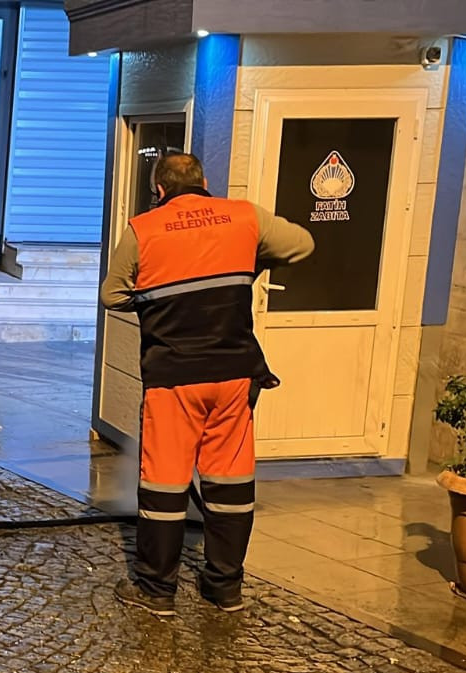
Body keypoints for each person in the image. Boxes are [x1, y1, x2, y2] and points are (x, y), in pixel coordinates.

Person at [100, 153, 314, 616]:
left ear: (159, 189)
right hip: (233, 374)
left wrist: (156, 299)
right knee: (230, 483)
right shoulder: (245, 217)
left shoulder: (145, 229)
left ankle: (157, 591)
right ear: (204, 181)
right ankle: (224, 588)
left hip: (173, 378)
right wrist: (247, 264)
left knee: (164, 485)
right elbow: (302, 245)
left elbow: (111, 294)